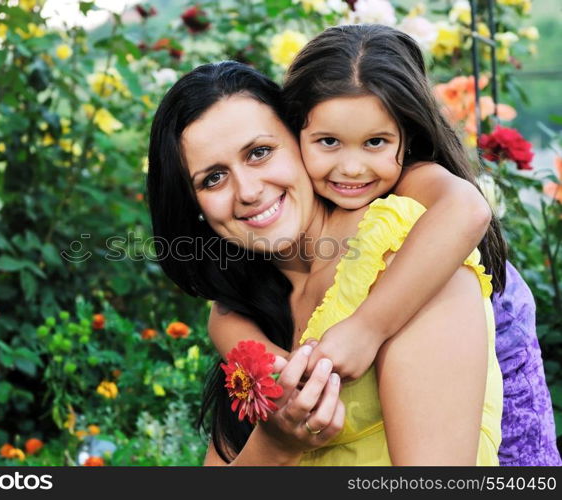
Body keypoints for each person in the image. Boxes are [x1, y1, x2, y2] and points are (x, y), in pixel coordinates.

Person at [209, 24, 560, 467]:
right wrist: (284, 373)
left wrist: (366, 328)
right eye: (328, 142)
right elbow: (223, 318)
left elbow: (468, 209)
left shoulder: (414, 190)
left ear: (406, 138)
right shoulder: (291, 239)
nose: (352, 168)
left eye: (375, 142)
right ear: (295, 133)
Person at [147, 50, 502, 465]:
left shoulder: (405, 248)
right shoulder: (245, 311)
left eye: (260, 152)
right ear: (195, 207)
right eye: (213, 178)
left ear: (300, 138)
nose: (247, 190)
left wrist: (367, 328)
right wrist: (276, 444)